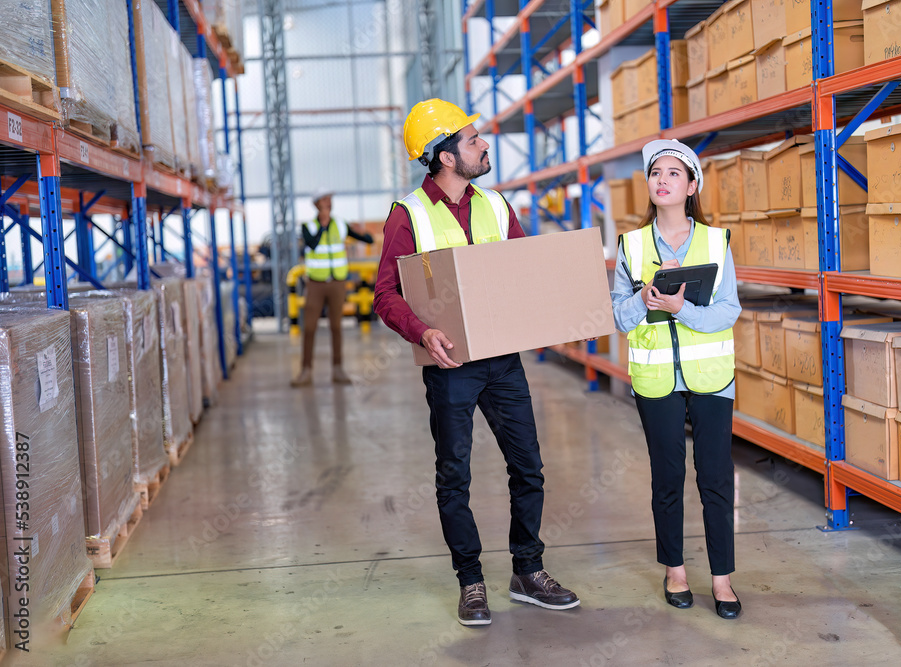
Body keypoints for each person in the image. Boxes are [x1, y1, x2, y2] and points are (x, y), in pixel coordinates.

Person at [373, 98, 580, 627]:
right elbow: (386, 295)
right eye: (472, 140)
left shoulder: (495, 205)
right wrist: (423, 331)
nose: (484, 144)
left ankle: (528, 570)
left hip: (503, 361)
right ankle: (470, 581)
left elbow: (522, 270)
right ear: (445, 156)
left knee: (528, 466)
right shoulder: (409, 215)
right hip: (451, 367)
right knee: (454, 475)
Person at [610, 139, 743, 620]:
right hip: (657, 379)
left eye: (673, 173)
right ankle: (676, 571)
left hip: (711, 377)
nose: (662, 180)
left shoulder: (715, 241)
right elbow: (618, 317)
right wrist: (644, 301)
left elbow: (729, 310)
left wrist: (682, 307)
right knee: (667, 478)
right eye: (655, 174)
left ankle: (722, 579)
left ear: (691, 186)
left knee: (715, 479)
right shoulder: (631, 245)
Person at [290, 190, 375, 387]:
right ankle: (306, 370)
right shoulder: (307, 227)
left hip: (337, 283)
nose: (328, 203)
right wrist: (323, 226)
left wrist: (364, 232)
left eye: (330, 199)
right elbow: (311, 244)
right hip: (316, 284)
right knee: (309, 327)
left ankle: (338, 369)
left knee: (336, 327)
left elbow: (367, 240)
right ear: (316, 204)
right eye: (324, 200)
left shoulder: (341, 225)